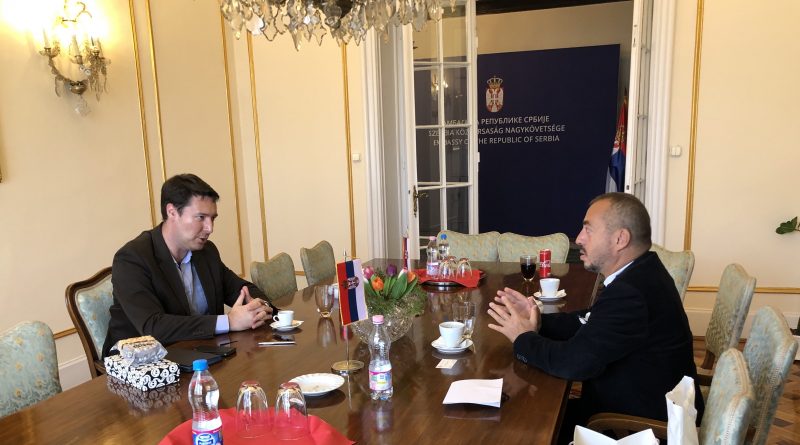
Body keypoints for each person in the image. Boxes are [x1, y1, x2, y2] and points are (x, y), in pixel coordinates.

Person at [487, 192, 702, 442]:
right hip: (629, 408)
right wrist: (537, 319)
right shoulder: (643, 273)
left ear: (620, 239)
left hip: (631, 428)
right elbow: (591, 320)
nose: (579, 238)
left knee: (514, 424)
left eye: (588, 230)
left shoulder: (631, 292)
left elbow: (574, 363)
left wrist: (523, 338)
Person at [102, 174, 274, 357]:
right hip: (140, 361)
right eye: (201, 217)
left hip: (198, 352)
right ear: (172, 212)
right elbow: (154, 327)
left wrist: (259, 306)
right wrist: (229, 322)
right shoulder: (132, 258)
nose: (210, 228)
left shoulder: (206, 251)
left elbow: (241, 289)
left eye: (213, 218)